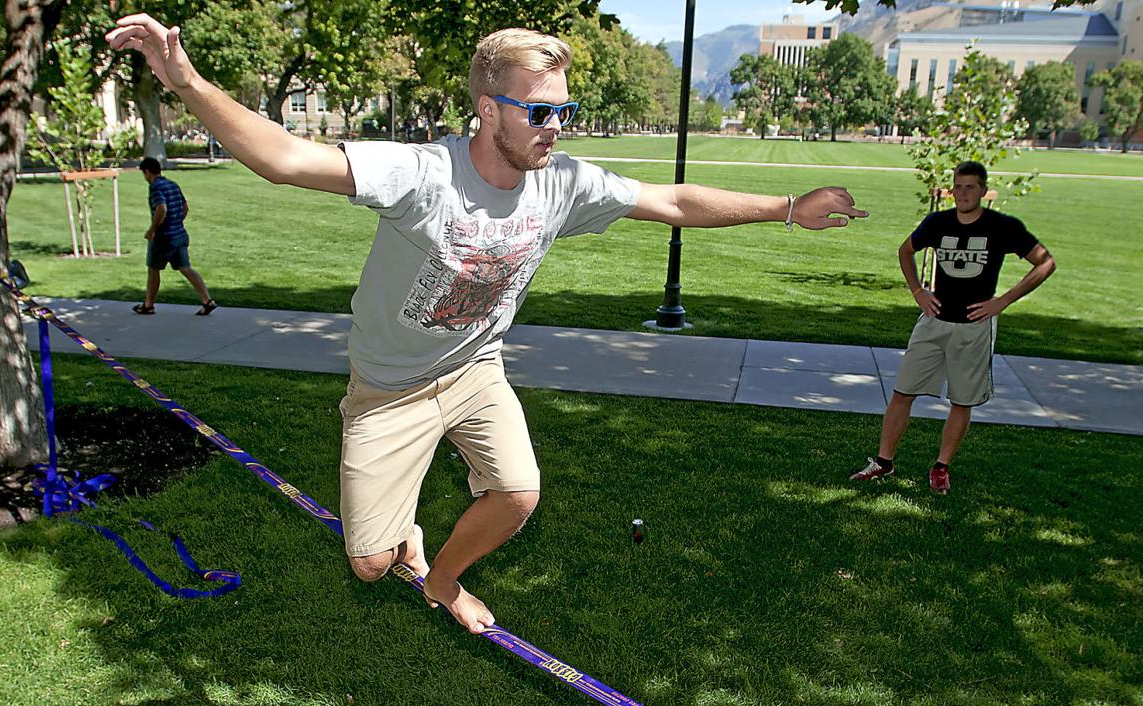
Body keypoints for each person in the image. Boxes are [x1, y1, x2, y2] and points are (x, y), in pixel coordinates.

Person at [107, 15, 868, 634]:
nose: (556, 127)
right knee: (370, 564)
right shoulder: (424, 176)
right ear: (488, 109)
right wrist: (187, 82)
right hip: (388, 392)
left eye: (564, 111)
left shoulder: (562, 182)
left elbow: (670, 202)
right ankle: (398, 546)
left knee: (518, 494)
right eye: (540, 112)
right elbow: (283, 158)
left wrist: (789, 209)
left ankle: (442, 581)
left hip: (476, 373)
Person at [850, 161, 1055, 494]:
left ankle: (941, 467)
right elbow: (905, 251)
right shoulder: (938, 222)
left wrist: (1003, 301)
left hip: (974, 327)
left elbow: (1045, 262)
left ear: (983, 191)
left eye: (970, 187)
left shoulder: (1002, 226)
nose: (963, 193)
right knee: (902, 392)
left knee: (961, 401)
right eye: (958, 186)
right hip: (933, 322)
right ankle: (883, 462)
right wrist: (918, 291)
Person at [136, 156, 218, 316]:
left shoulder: (155, 187)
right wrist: (177, 222)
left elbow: (161, 208)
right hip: (179, 234)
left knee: (153, 269)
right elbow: (185, 207)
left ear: (147, 172)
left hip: (163, 237)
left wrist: (152, 229)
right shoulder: (172, 184)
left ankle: (148, 305)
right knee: (185, 267)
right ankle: (207, 300)